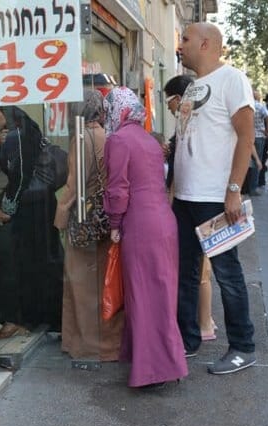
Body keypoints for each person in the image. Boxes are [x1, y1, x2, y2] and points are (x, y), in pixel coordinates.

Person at [174, 22, 256, 374]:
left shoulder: (232, 79)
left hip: (215, 198)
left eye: (186, 39)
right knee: (185, 274)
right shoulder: (194, 86)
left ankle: (243, 346)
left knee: (227, 274)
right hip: (185, 198)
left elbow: (246, 137)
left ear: (206, 43)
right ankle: (187, 341)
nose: (180, 46)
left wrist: (233, 190)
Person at [102, 86, 188, 388]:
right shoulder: (150, 140)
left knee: (142, 296)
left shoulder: (118, 140)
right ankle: (168, 362)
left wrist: (114, 222)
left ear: (117, 110)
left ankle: (153, 370)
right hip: (164, 220)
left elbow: (117, 188)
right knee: (162, 295)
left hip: (140, 224)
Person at [0, 94, 63, 339]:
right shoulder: (18, 130)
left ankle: (17, 318)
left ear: (4, 110)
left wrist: (7, 209)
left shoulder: (18, 134)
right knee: (35, 261)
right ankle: (39, 319)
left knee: (9, 259)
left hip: (28, 209)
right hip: (37, 206)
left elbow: (19, 178)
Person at [54, 90, 123, 361]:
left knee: (82, 286)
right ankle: (109, 343)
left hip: (84, 219)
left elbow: (74, 185)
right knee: (105, 284)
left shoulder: (81, 138)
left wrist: (59, 217)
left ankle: (88, 345)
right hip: (104, 219)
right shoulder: (106, 136)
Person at [164, 74, 218, 342]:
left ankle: (205, 323)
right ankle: (198, 325)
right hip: (187, 203)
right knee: (195, 269)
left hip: (199, 204)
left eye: (169, 100)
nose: (168, 107)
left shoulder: (197, 126)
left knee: (201, 270)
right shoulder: (183, 127)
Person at [248, 90, 268, 195]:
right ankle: (253, 187)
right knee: (257, 162)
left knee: (247, 161)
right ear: (258, 97)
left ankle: (246, 186)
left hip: (247, 136)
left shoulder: (247, 105)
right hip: (258, 137)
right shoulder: (260, 106)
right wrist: (267, 131)